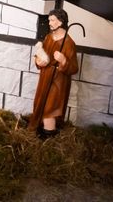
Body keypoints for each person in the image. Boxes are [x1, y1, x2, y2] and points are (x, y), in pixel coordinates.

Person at [28, 9, 79, 137]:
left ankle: (49, 133)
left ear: (60, 22)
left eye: (52, 20)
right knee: (41, 102)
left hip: (58, 81)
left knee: (50, 107)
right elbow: (41, 54)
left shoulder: (69, 43)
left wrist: (63, 60)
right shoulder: (49, 37)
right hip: (45, 77)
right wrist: (38, 60)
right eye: (49, 20)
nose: (49, 23)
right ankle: (40, 127)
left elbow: (74, 68)